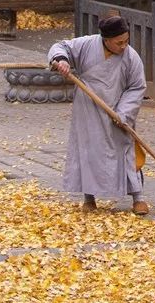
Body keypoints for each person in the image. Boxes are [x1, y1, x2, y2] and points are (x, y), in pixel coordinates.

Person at [48, 14, 149, 215]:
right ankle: (89, 198)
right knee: (88, 151)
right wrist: (61, 60)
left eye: (126, 41)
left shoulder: (131, 56)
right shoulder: (86, 45)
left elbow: (137, 87)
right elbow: (60, 47)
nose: (123, 46)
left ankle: (138, 197)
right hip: (88, 109)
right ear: (106, 40)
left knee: (126, 151)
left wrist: (124, 113)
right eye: (118, 42)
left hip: (117, 110)